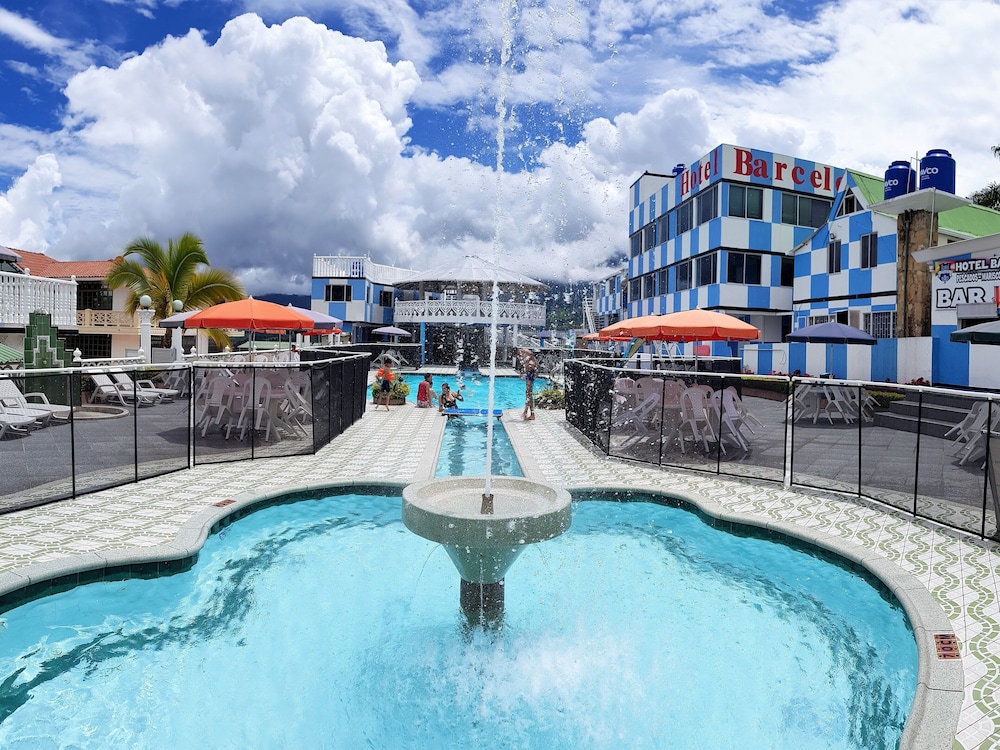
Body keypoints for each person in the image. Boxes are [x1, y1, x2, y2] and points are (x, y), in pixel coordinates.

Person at [519, 348, 538, 420]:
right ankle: (529, 413)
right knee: (528, 394)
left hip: (531, 374)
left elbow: (531, 355)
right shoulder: (524, 356)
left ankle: (526, 412)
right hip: (529, 374)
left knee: (528, 394)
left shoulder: (523, 351)